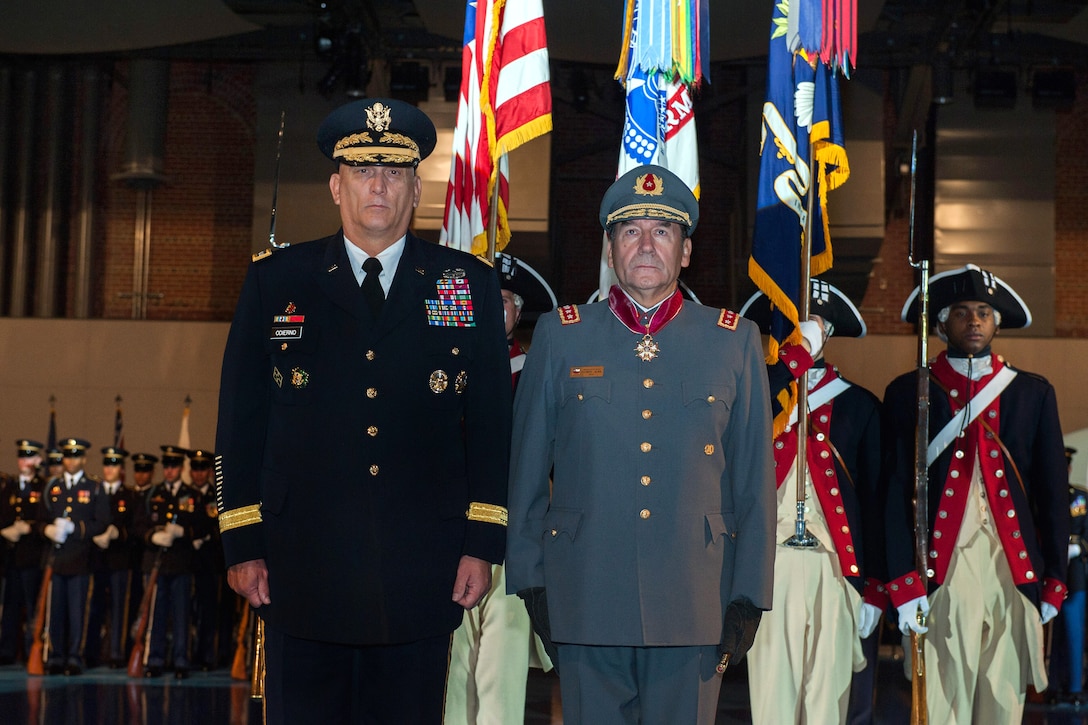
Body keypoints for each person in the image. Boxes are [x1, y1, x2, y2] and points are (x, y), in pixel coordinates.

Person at [214, 97, 511, 724]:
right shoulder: (277, 282)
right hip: (300, 570)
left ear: (415, 189)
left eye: (396, 172)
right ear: (335, 184)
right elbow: (241, 424)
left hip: (420, 571)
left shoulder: (465, 284)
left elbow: (489, 425)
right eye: (362, 170)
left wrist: (482, 542)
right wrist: (242, 542)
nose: (379, 185)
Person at [506, 164, 776, 725]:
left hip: (695, 604)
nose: (647, 244)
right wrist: (532, 583)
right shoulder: (561, 335)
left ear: (685, 251)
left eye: (663, 231)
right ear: (609, 249)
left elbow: (754, 483)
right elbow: (526, 473)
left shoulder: (735, 342)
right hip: (584, 599)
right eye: (631, 231)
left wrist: (747, 597)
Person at [884, 263, 1069, 722]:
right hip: (942, 574)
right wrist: (904, 583)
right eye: (962, 312)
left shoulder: (1032, 394)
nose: (974, 321)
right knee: (946, 702)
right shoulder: (911, 392)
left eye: (984, 312)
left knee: (1004, 702)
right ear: (942, 322)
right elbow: (892, 495)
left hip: (1013, 571)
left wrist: (1055, 578)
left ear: (996, 322)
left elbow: (1052, 495)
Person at [740, 281, 887, 724]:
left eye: (816, 326)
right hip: (769, 566)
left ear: (830, 333)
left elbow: (877, 503)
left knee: (828, 699)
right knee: (771, 698)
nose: (806, 334)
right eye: (794, 325)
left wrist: (876, 587)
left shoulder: (860, 406)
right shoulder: (752, 396)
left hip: (835, 568)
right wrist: (787, 365)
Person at [445, 254, 555, 725]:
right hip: (447, 539)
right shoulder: (443, 373)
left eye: (504, 301)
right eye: (483, 300)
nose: (493, 310)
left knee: (500, 675)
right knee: (449, 672)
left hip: (512, 542)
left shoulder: (535, 375)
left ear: (517, 313)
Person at [132, 445, 206, 679]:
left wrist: (184, 532)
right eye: (167, 466)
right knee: (156, 614)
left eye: (174, 466)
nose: (170, 470)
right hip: (155, 564)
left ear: (182, 468)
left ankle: (181, 660)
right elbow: (138, 525)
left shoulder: (192, 495)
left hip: (181, 564)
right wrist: (152, 536)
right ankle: (154, 660)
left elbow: (204, 525)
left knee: (182, 614)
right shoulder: (153, 494)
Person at [39, 437, 110, 675]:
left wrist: (76, 528)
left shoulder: (94, 487)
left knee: (78, 612)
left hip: (81, 559)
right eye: (67, 456)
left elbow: (101, 522)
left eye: (76, 456)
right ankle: (56, 656)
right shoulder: (52, 486)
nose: (71, 461)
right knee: (56, 612)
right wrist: (46, 529)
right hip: (56, 560)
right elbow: (40, 519)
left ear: (84, 459)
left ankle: (75, 656)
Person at [86, 446, 135, 668]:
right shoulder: (93, 492)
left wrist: (119, 533)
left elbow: (135, 527)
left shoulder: (129, 495)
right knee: (94, 606)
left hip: (119, 559)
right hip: (96, 559)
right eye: (107, 464)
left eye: (114, 464)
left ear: (121, 469)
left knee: (118, 608)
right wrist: (93, 536)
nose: (109, 469)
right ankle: (91, 653)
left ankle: (117, 653)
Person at [0, 439, 48, 665]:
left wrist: (29, 528)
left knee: (32, 606)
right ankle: (8, 650)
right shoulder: (8, 487)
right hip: (11, 557)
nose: (24, 462)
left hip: (31, 556)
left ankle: (32, 650)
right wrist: (5, 530)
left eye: (29, 457)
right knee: (10, 605)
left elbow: (44, 518)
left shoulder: (42, 487)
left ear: (37, 461)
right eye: (21, 457)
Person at [187, 448, 233, 670]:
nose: (199, 473)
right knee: (190, 612)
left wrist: (207, 535)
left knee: (213, 611)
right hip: (188, 564)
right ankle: (190, 654)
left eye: (203, 468)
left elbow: (222, 527)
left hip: (213, 565)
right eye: (195, 468)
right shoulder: (185, 496)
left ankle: (212, 655)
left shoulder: (218, 497)